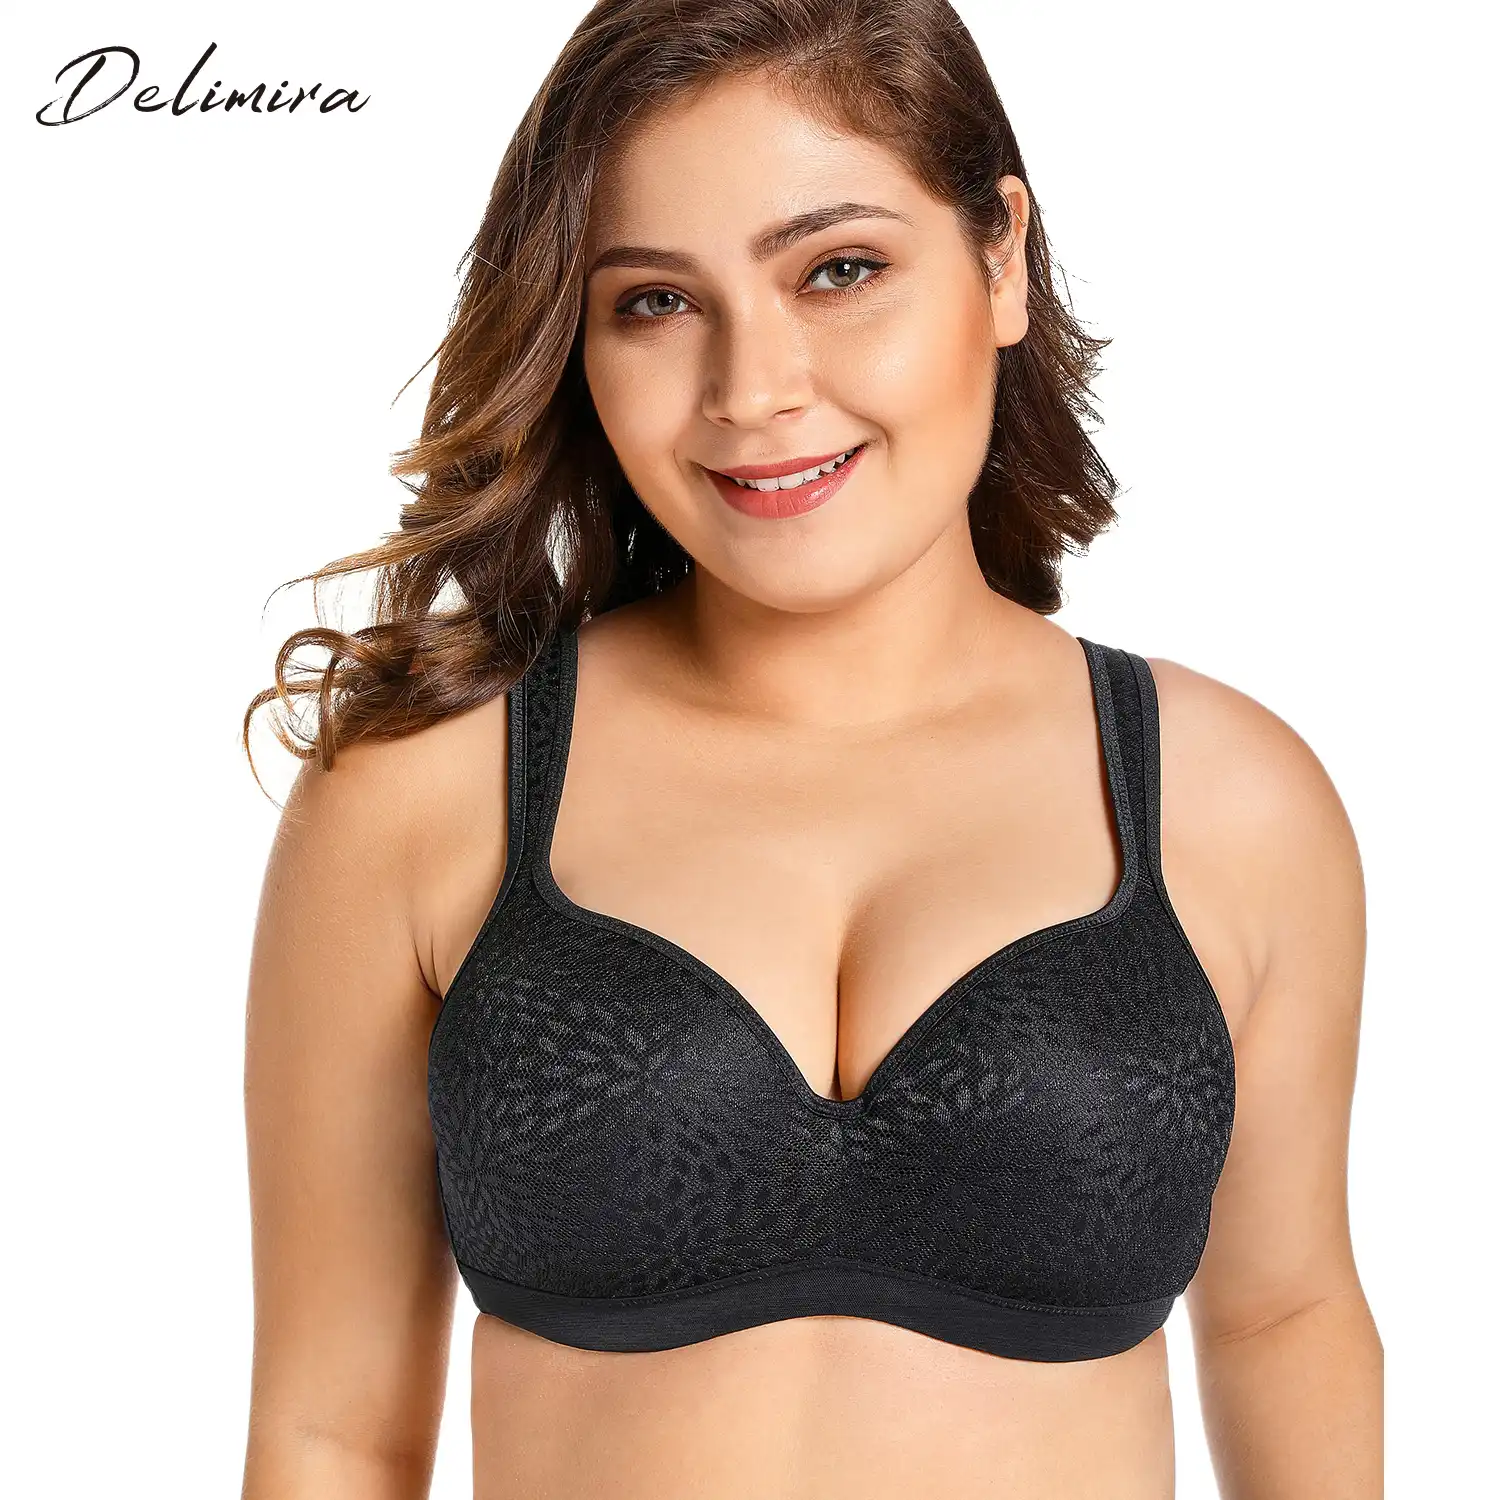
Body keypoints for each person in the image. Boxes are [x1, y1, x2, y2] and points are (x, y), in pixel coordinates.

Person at [239, 2, 1381, 1496]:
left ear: (1001, 257)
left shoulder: (1230, 801)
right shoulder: (426, 791)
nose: (753, 390)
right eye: (656, 301)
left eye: (839, 271)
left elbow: (1287, 1318)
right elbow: (329, 1431)